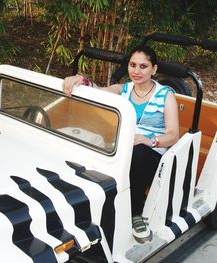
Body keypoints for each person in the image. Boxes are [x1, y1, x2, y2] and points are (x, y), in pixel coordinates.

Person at [62, 45, 179, 243]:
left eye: (143, 66)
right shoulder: (124, 89)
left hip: (151, 150)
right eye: (133, 65)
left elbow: (173, 134)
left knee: (138, 154)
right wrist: (78, 80)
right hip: (122, 146)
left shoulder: (165, 95)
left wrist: (150, 140)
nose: (136, 71)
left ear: (154, 69)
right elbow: (98, 91)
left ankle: (135, 212)